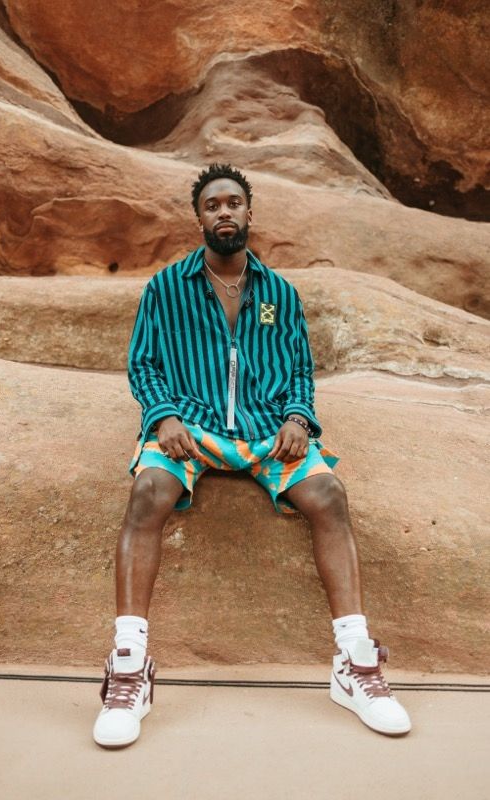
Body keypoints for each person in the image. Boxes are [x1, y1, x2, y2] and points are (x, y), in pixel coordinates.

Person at [92, 163, 411, 748]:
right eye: (212, 205)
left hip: (268, 431)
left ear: (248, 211)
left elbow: (298, 370)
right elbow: (143, 363)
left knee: (329, 495)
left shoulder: (279, 294)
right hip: (191, 427)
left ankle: (354, 661)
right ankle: (131, 664)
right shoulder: (166, 287)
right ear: (199, 218)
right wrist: (162, 417)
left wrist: (298, 418)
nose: (224, 212)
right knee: (146, 495)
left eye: (233, 202)